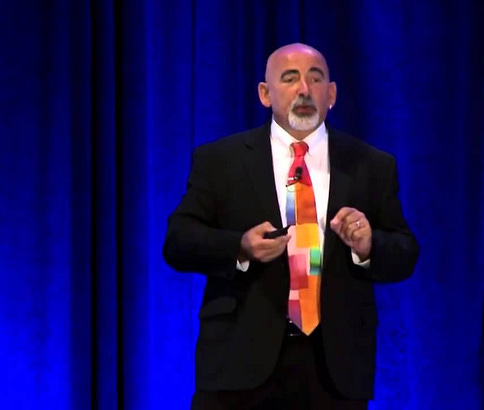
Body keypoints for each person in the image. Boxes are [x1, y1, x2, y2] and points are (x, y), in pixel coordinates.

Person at [163, 43, 419, 409]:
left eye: (315, 79)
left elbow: (405, 252)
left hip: (335, 370)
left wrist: (367, 246)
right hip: (238, 364)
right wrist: (240, 246)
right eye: (289, 78)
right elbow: (178, 242)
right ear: (265, 94)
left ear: (331, 95)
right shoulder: (220, 161)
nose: (303, 89)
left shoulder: (371, 165)